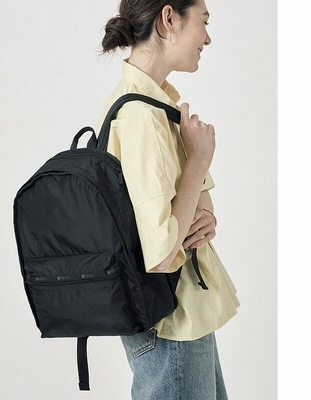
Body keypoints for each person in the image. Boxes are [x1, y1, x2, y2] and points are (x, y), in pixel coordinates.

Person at [97, 0, 240, 399]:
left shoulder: (155, 105)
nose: (207, 38)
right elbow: (161, 255)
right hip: (171, 327)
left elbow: (190, 213)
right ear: (169, 19)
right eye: (203, 22)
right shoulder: (140, 116)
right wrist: (199, 160)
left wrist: (203, 214)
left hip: (181, 321)